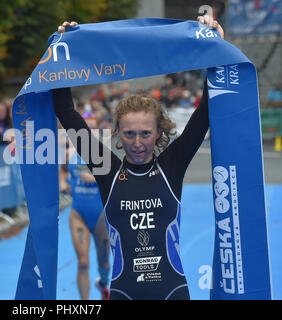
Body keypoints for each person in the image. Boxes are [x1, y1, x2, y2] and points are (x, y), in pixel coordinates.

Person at [54, 15, 224, 300]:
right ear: (118, 134)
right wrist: (64, 50)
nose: (137, 143)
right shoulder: (106, 169)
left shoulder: (172, 165)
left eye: (145, 133)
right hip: (124, 293)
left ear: (159, 133)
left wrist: (215, 43)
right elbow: (68, 115)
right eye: (129, 133)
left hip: (172, 291)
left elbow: (205, 113)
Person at [64, 112, 111, 300]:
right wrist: (63, 182)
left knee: (104, 264)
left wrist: (93, 178)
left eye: (92, 128)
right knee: (83, 263)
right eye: (86, 127)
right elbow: (62, 171)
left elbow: (115, 179)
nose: (88, 131)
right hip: (79, 213)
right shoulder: (70, 153)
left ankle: (103, 284)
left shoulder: (105, 153)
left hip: (101, 215)